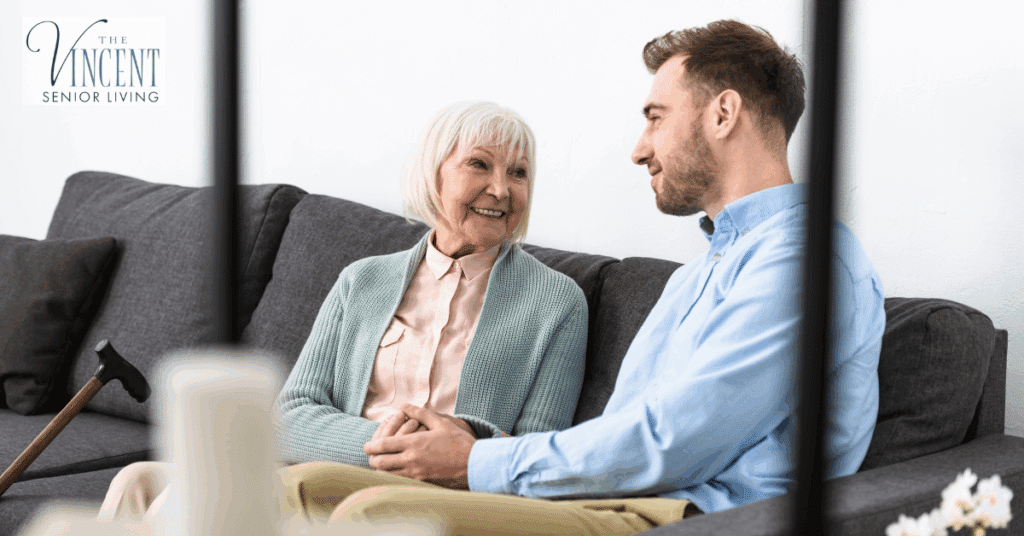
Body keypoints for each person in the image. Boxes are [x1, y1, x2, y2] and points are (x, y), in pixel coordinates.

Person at [340, 20, 885, 535]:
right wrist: (480, 443)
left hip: (691, 517)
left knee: (371, 512)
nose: (639, 148)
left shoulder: (805, 264)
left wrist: (477, 461)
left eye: (656, 117)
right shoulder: (698, 276)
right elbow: (624, 433)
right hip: (621, 498)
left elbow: (673, 443)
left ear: (723, 115)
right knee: (301, 485)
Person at [94, 101, 589, 526]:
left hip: (444, 493)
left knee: (220, 501)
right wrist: (387, 446)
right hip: (336, 467)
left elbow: (540, 453)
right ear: (433, 173)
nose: (502, 190)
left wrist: (451, 453)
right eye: (479, 164)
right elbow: (290, 414)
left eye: (518, 173)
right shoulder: (363, 280)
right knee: (137, 481)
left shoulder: (558, 301)